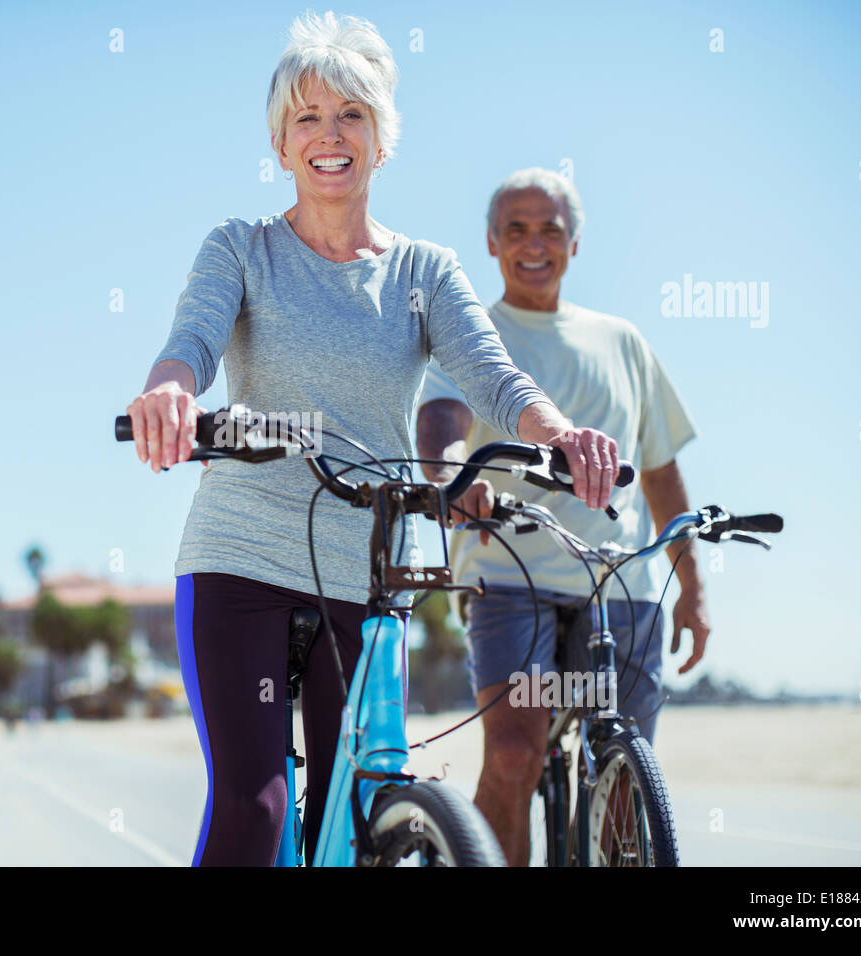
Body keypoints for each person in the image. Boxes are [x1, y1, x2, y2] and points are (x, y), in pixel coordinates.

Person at [125, 14, 621, 867]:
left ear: (381, 141)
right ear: (281, 144)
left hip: (365, 569)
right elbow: (191, 347)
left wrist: (561, 433)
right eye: (307, 118)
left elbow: (495, 376)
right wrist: (168, 394)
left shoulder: (425, 272)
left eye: (350, 115)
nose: (329, 135)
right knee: (257, 809)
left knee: (356, 808)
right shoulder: (240, 251)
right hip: (240, 558)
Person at [416, 168, 705, 866]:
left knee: (622, 768)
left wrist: (692, 585)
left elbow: (660, 468)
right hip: (510, 573)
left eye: (550, 228)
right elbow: (441, 423)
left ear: (574, 242)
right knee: (515, 754)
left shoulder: (624, 341)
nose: (534, 243)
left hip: (624, 583)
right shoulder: (474, 333)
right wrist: (454, 477)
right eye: (516, 228)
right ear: (492, 241)